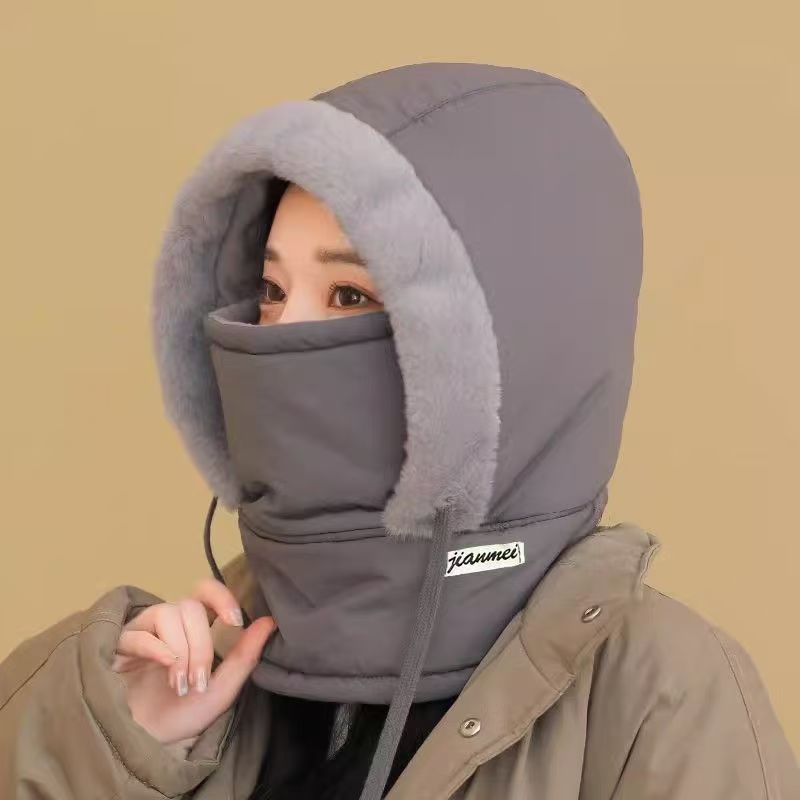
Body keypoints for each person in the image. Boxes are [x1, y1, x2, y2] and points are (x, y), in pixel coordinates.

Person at [1, 61, 797, 800]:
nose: (280, 335)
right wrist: (109, 747)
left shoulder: (663, 694)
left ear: (510, 348)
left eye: (349, 296)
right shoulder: (206, 661)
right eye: (271, 289)